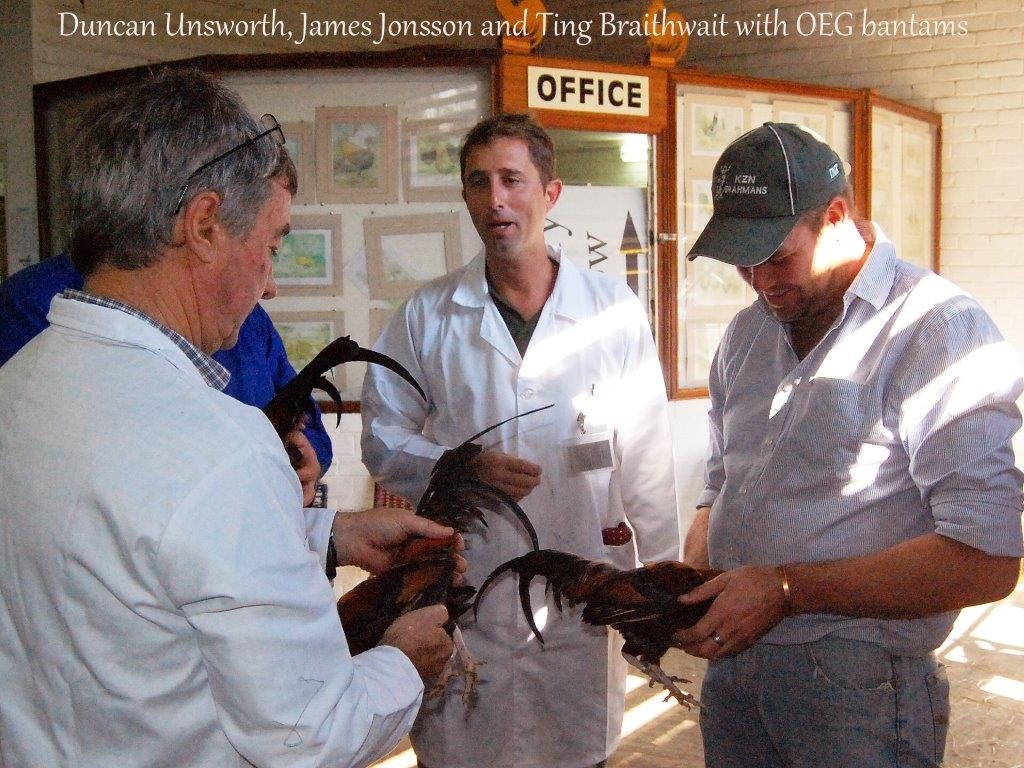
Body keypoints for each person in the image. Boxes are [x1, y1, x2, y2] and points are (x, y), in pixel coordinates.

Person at [0, 68, 460, 768]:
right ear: (205, 224)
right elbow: (307, 735)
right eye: (272, 246)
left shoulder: (20, 385)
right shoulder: (218, 446)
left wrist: (326, 534)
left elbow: (124, 556)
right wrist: (403, 663)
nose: (270, 283)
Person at [674, 122, 1024, 767]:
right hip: (735, 669)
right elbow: (722, 481)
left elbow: (987, 557)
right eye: (742, 261)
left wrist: (786, 590)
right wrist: (690, 580)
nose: (759, 280)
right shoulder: (747, 335)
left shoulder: (936, 329)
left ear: (836, 216)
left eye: (777, 256)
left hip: (858, 689)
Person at [361, 113, 681, 768]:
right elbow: (382, 439)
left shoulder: (611, 311)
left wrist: (661, 583)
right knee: (465, 751)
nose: (496, 200)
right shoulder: (429, 315)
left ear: (550, 193)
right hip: (467, 587)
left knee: (575, 750)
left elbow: (646, 456)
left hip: (579, 583)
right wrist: (457, 466)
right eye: (479, 182)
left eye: (512, 180)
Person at [0, 251, 334, 474]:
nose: (270, 288)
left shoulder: (247, 319)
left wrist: (300, 464)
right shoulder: (27, 302)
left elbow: (313, 432)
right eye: (269, 246)